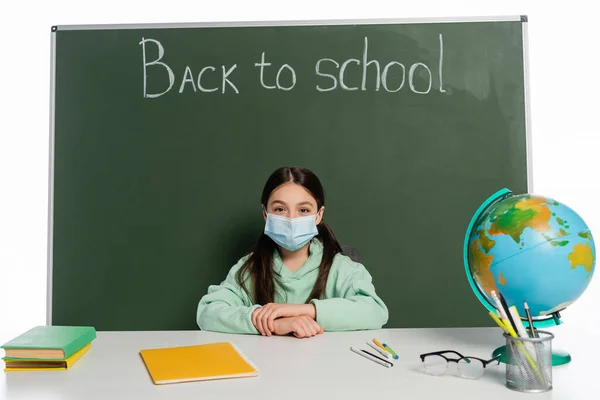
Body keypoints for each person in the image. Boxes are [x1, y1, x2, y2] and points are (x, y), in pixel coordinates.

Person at [196, 166, 388, 338]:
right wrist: (275, 323)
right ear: (265, 214)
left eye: (303, 210)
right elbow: (208, 312)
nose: (291, 219)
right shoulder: (250, 268)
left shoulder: (342, 268)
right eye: (280, 209)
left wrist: (302, 311)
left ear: (319, 215)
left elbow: (375, 311)